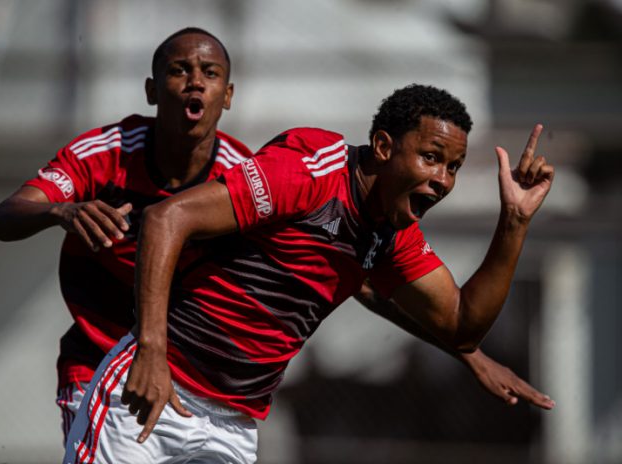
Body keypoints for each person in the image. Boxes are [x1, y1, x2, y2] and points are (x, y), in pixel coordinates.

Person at [63, 84, 555, 463]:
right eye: (431, 158)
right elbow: (166, 218)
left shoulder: (390, 231)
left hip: (233, 421)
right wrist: (151, 350)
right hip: (157, 387)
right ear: (383, 147)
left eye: (453, 167)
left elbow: (460, 322)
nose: (442, 180)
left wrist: (514, 221)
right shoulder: (313, 171)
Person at [0, 27, 253, 444]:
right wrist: (62, 210)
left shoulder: (242, 175)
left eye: (210, 73)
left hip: (193, 375)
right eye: (179, 70)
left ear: (229, 95)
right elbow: (3, 217)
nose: (196, 82)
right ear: (151, 90)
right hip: (98, 358)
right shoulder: (106, 152)